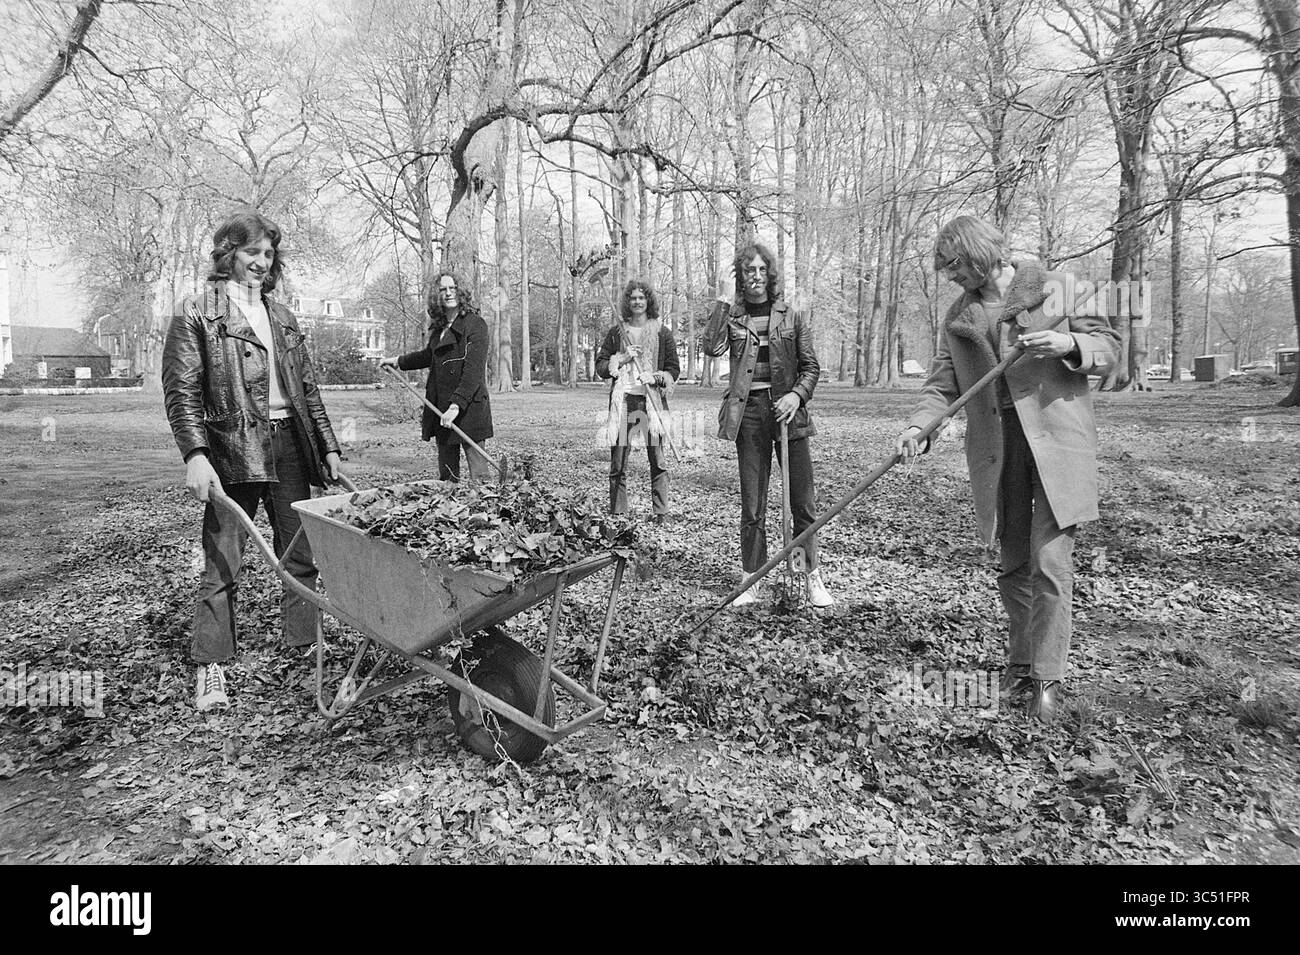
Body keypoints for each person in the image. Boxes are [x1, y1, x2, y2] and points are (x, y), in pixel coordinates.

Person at [895, 215, 1119, 723]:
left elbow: (1112, 353)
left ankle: (1047, 679)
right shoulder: (959, 315)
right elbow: (941, 383)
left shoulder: (1057, 289)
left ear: (978, 255)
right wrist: (918, 426)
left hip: (1058, 446)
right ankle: (1021, 662)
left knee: (1050, 563)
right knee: (1014, 562)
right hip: (1000, 450)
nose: (948, 275)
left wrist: (1069, 346)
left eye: (953, 265)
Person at [162, 209, 344, 713]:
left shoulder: (282, 315)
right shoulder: (197, 312)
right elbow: (181, 392)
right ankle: (211, 665)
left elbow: (306, 390)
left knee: (300, 554)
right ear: (228, 254)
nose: (261, 263)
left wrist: (326, 445)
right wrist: (195, 455)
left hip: (290, 447)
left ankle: (306, 648)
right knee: (223, 560)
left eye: (268, 254)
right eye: (251, 253)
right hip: (232, 450)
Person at [703, 241, 833, 608]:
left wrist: (796, 396)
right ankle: (752, 577)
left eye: (762, 270)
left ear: (769, 275)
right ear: (741, 277)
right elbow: (710, 347)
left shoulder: (791, 316)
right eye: (749, 271)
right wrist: (724, 302)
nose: (756, 277)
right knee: (753, 504)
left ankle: (809, 577)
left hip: (788, 413)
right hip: (749, 415)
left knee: (803, 504)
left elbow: (811, 367)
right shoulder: (734, 316)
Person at [379, 272, 493, 481]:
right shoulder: (439, 329)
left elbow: (473, 371)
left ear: (462, 292)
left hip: (469, 407)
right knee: (447, 478)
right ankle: (451, 512)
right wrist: (397, 361)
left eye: (453, 288)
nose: (449, 293)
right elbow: (428, 356)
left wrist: (456, 405)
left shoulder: (475, 324)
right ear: (437, 295)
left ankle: (486, 512)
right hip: (441, 408)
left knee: (480, 477)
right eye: (443, 289)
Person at [595, 280, 680, 523]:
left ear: (648, 302)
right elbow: (601, 367)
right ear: (627, 302)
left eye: (641, 298)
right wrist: (621, 358)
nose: (637, 302)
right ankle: (618, 511)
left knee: (658, 460)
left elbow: (674, 369)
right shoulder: (617, 332)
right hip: (624, 402)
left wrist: (654, 377)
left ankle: (661, 512)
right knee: (618, 461)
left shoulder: (662, 332)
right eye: (632, 298)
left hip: (652, 403)